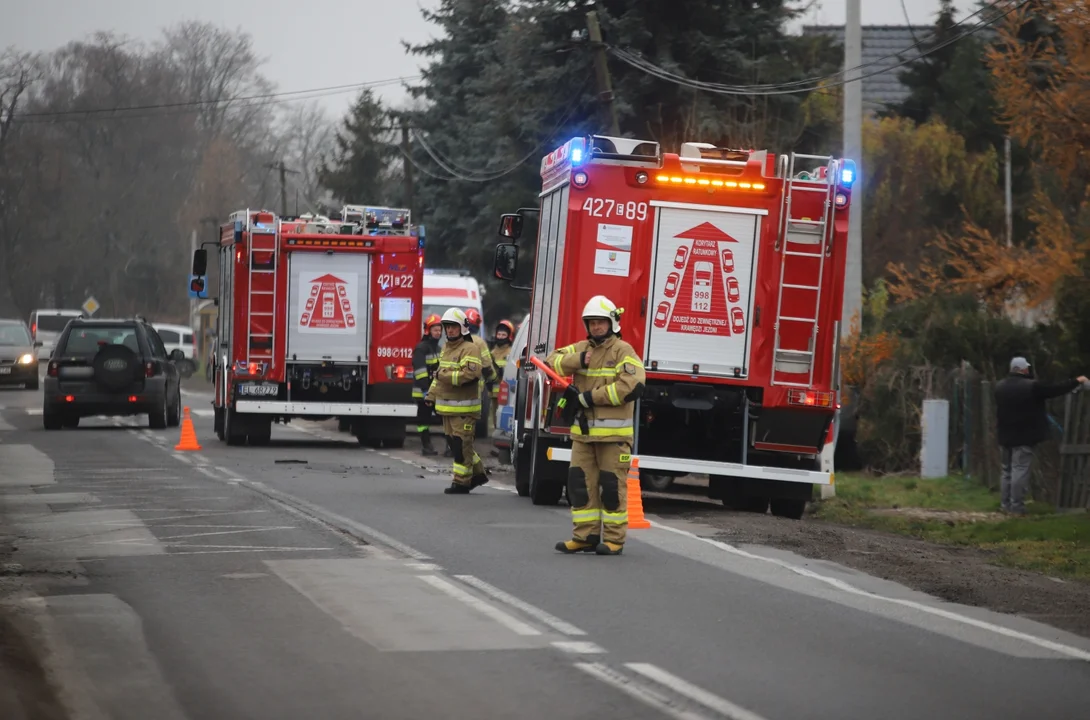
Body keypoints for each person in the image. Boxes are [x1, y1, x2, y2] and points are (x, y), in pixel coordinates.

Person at [545, 295, 645, 556]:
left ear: (611, 323)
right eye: (592, 323)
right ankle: (585, 536)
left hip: (614, 437)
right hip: (583, 434)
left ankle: (613, 540)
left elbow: (632, 385)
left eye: (601, 322)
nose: (596, 327)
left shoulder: (624, 351)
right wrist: (579, 360)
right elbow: (551, 360)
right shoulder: (581, 348)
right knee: (579, 485)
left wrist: (591, 397)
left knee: (612, 487)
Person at [994, 356, 1088, 515]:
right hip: (1024, 436)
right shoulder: (1032, 386)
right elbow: (1055, 390)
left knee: (1007, 471)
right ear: (1024, 369)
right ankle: (1016, 507)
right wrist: (1076, 381)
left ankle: (1005, 505)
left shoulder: (1000, 386)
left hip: (1004, 435)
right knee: (1019, 470)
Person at [425, 308, 489, 494]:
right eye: (447, 327)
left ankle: (461, 482)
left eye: (453, 327)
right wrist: (431, 395)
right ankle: (477, 474)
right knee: (457, 445)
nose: (450, 330)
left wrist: (444, 376)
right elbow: (438, 375)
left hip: (464, 409)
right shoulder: (446, 348)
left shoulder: (470, 348)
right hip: (446, 407)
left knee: (462, 446)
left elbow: (471, 374)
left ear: (462, 328)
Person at [412, 314, 444, 456]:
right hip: (423, 392)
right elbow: (420, 372)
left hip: (436, 392)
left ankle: (450, 446)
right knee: (424, 420)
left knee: (446, 417)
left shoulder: (438, 349)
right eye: (435, 330)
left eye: (439, 330)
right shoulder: (421, 348)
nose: (438, 332)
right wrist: (426, 391)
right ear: (428, 331)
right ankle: (426, 445)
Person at [464, 307, 497, 427]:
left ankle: (452, 442)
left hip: (455, 386)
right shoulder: (479, 342)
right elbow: (487, 365)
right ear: (477, 325)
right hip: (474, 388)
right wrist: (493, 379)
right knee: (470, 417)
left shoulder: (453, 340)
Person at [488, 319, 516, 429]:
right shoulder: (491, 353)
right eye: (498, 334)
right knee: (494, 418)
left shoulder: (511, 352)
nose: (500, 337)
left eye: (503, 334)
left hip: (507, 394)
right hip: (493, 393)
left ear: (509, 336)